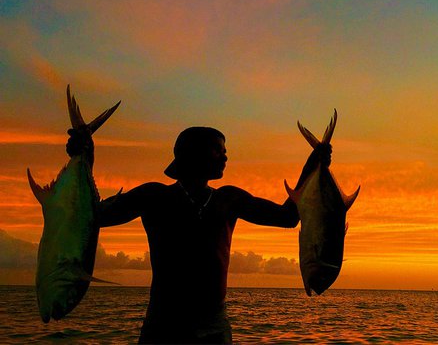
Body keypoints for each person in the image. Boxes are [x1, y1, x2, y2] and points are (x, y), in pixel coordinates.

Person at [67, 125, 330, 344]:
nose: (225, 157)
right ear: (191, 153)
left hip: (214, 326)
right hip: (163, 325)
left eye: (225, 151)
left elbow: (287, 217)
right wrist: (84, 156)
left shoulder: (229, 198)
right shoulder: (154, 196)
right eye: (218, 149)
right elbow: (92, 217)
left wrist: (313, 164)